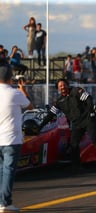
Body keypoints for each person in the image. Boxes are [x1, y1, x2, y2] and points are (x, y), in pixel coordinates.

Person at [39, 78, 96, 172]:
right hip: (76, 123)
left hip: (88, 120)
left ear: (67, 85)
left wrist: (92, 112)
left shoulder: (77, 91)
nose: (62, 87)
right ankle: (76, 166)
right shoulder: (59, 101)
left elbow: (89, 99)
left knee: (95, 140)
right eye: (60, 86)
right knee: (73, 144)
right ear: (58, 89)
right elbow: (50, 115)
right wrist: (40, 126)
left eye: (64, 85)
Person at [0, 62, 33, 212]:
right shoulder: (15, 93)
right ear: (10, 78)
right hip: (11, 139)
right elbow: (30, 106)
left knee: (1, 171)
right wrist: (23, 90)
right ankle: (5, 203)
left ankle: (1, 201)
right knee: (8, 171)